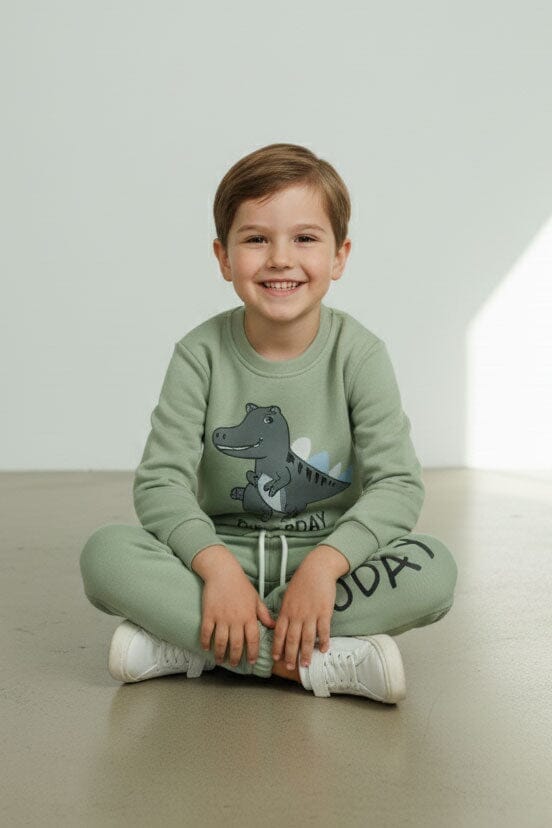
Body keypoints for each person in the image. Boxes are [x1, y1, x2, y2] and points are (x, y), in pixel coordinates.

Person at [79, 142, 458, 703]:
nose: (280, 258)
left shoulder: (360, 354)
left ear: (339, 256)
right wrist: (216, 571)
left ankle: (199, 643)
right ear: (224, 257)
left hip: (328, 562)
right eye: (256, 239)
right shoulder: (199, 354)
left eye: (305, 238)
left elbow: (398, 484)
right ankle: (299, 659)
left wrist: (326, 566)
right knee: (105, 554)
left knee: (435, 569)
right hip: (218, 558)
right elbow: (161, 483)